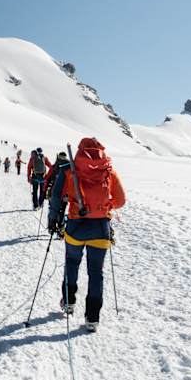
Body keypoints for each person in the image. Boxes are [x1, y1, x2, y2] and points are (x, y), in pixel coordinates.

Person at [47, 137, 126, 332]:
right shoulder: (109, 171)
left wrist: (53, 219)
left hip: (76, 226)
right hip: (100, 229)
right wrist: (105, 207)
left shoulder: (69, 171)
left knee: (72, 263)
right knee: (96, 272)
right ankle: (93, 318)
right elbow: (121, 200)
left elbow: (56, 198)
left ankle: (68, 301)